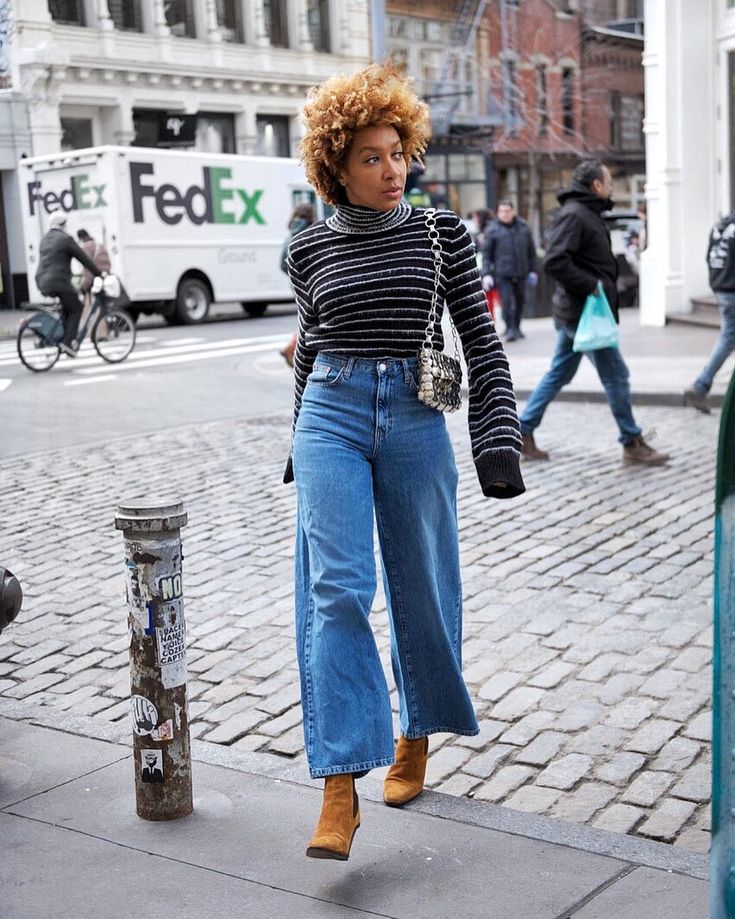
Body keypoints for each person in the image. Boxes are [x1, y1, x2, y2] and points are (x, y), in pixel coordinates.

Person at [285, 63, 525, 861]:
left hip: (417, 416)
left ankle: (414, 727)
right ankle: (338, 784)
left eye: (398, 152)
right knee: (337, 590)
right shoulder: (307, 248)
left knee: (422, 586)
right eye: (371, 158)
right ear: (335, 168)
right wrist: (299, 445)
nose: (392, 171)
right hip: (331, 410)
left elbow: (481, 341)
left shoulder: (440, 234)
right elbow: (310, 348)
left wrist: (496, 436)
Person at [519, 160, 670, 466]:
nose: (612, 186)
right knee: (617, 375)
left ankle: (523, 430)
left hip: (579, 313)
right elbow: (555, 261)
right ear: (596, 186)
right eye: (608, 181)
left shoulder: (585, 212)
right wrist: (592, 286)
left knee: (560, 372)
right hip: (584, 314)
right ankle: (631, 441)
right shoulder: (576, 214)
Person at [684, 211, 735, 413]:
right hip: (732, 290)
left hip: (721, 288)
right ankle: (700, 385)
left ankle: (701, 385)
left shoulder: (719, 227)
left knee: (728, 337)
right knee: (728, 338)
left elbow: (709, 257)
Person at [35, 213, 104, 358]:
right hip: (58, 281)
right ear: (62, 224)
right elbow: (84, 259)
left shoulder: (44, 239)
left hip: (42, 281)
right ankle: (67, 344)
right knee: (77, 308)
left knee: (68, 306)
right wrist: (98, 273)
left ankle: (61, 338)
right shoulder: (65, 239)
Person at [481, 200, 538, 341]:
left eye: (507, 211)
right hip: (502, 273)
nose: (505, 214)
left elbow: (531, 252)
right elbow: (487, 255)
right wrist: (487, 273)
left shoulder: (524, 228)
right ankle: (510, 328)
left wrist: (533, 270)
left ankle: (517, 327)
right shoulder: (492, 230)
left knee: (520, 301)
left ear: (513, 211)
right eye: (502, 211)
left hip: (521, 272)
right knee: (506, 302)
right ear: (498, 213)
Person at [279, 204, 316, 368]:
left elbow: (282, 264)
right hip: (313, 285)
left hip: (296, 286)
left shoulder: (290, 235)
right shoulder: (311, 233)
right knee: (312, 321)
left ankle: (291, 346)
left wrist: (295, 276)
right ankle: (293, 347)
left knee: (305, 319)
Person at [76, 229, 111, 305]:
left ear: (80, 238)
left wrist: (85, 286)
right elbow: (108, 262)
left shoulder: (85, 247)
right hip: (105, 276)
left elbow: (88, 267)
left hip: (95, 279)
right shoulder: (100, 245)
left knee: (91, 304)